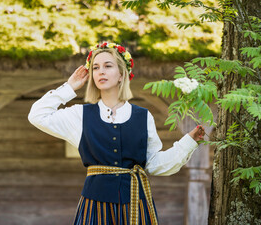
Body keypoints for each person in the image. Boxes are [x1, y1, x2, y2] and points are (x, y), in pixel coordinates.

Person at [28, 42, 205, 225]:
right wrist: (69, 87)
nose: (100, 71)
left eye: (108, 66)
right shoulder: (80, 115)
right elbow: (37, 115)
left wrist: (188, 142)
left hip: (136, 205)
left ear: (121, 75)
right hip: (95, 207)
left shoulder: (143, 116)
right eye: (95, 67)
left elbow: (154, 164)